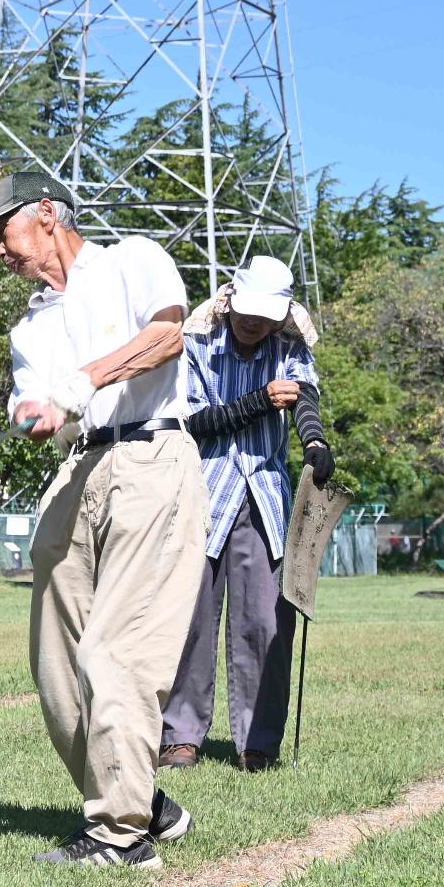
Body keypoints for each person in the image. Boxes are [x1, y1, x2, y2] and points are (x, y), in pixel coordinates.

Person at [0, 172, 209, 869]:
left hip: (153, 454)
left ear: (44, 213)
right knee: (57, 664)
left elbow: (166, 337)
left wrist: (84, 380)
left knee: (116, 652)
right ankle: (143, 798)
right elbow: (33, 400)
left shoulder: (133, 259)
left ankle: (122, 837)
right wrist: (30, 412)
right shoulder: (29, 327)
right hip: (80, 469)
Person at [161, 255, 333, 773]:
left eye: (266, 315)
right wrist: (258, 402)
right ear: (232, 298)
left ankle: (258, 743)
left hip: (265, 500)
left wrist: (316, 442)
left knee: (265, 622)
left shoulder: (289, 348)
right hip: (200, 494)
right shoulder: (196, 345)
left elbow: (306, 401)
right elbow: (189, 422)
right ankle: (179, 737)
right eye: (247, 312)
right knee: (189, 621)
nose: (253, 323)